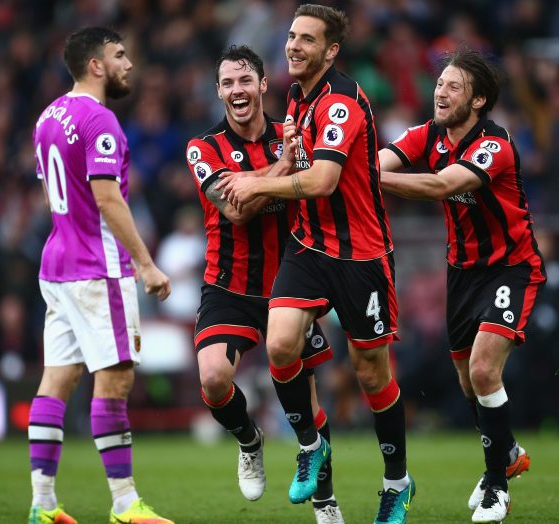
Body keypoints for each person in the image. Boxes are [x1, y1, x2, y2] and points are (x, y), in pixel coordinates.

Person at [219, 6, 414, 524]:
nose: (293, 46)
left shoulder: (342, 101)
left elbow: (325, 180)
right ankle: (311, 444)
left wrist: (257, 182)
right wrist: (274, 166)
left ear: (331, 51)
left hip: (362, 254)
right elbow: (297, 168)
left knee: (372, 376)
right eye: (290, 36)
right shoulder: (297, 97)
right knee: (280, 343)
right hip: (308, 246)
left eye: (307, 40)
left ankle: (397, 481)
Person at [379, 48, 546, 523]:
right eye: (439, 84)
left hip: (510, 268)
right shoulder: (427, 134)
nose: (441, 91)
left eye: (454, 86)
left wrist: (363, 177)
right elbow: (381, 159)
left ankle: (497, 485)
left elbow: (439, 186)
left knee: (483, 371)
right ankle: (507, 451)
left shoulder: (494, 144)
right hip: (462, 271)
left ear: (478, 101)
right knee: (468, 383)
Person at [186, 45, 344, 524]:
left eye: (245, 81)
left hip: (288, 283)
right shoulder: (203, 148)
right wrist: (282, 168)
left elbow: (323, 184)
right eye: (228, 83)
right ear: (218, 91)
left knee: (310, 405)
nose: (237, 90)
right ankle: (249, 440)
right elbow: (234, 207)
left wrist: (288, 162)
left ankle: (325, 503)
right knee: (214, 379)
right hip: (228, 285)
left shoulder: (291, 133)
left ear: (262, 86)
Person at [28, 27, 173, 524]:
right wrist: (145, 263)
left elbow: (54, 194)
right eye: (119, 54)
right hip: (97, 266)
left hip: (57, 264)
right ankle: (125, 503)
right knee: (115, 379)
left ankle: (42, 505)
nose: (128, 63)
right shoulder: (99, 118)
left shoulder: (47, 117)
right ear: (95, 65)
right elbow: (106, 197)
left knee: (56, 381)